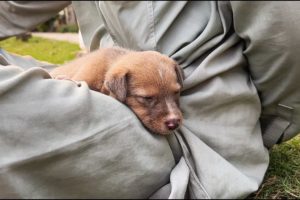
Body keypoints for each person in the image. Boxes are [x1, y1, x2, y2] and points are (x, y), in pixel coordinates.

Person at [0, 1, 299, 199]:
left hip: (192, 131)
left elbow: (288, 37)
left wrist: (262, 127)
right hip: (103, 92)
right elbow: (13, 8)